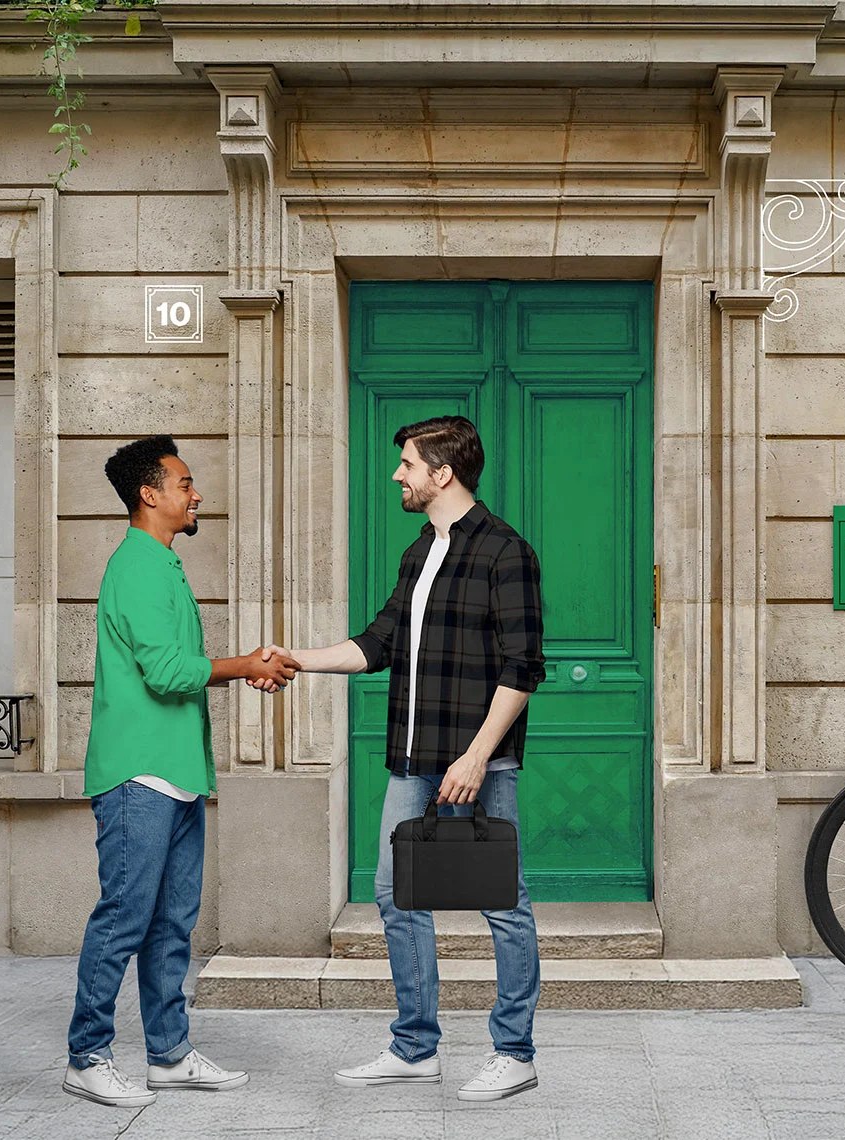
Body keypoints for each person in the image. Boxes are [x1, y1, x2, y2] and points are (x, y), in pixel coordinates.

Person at [261, 415, 545, 1102]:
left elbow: (522, 666)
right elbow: (375, 644)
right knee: (395, 896)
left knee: (502, 902)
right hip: (413, 759)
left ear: (442, 473)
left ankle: (514, 1052)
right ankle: (415, 1047)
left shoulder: (505, 551)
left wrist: (477, 756)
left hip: (474, 762)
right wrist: (294, 658)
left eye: (408, 465)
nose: (398, 475)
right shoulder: (421, 550)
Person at [64, 434, 299, 1108]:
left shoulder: (160, 564)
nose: (196, 494)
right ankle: (87, 1056)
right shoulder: (137, 566)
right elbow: (168, 675)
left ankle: (168, 1055)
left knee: (171, 925)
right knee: (124, 920)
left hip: (175, 773)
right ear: (149, 494)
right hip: (138, 774)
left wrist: (242, 667)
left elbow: (176, 670)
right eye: (185, 483)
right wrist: (245, 665)